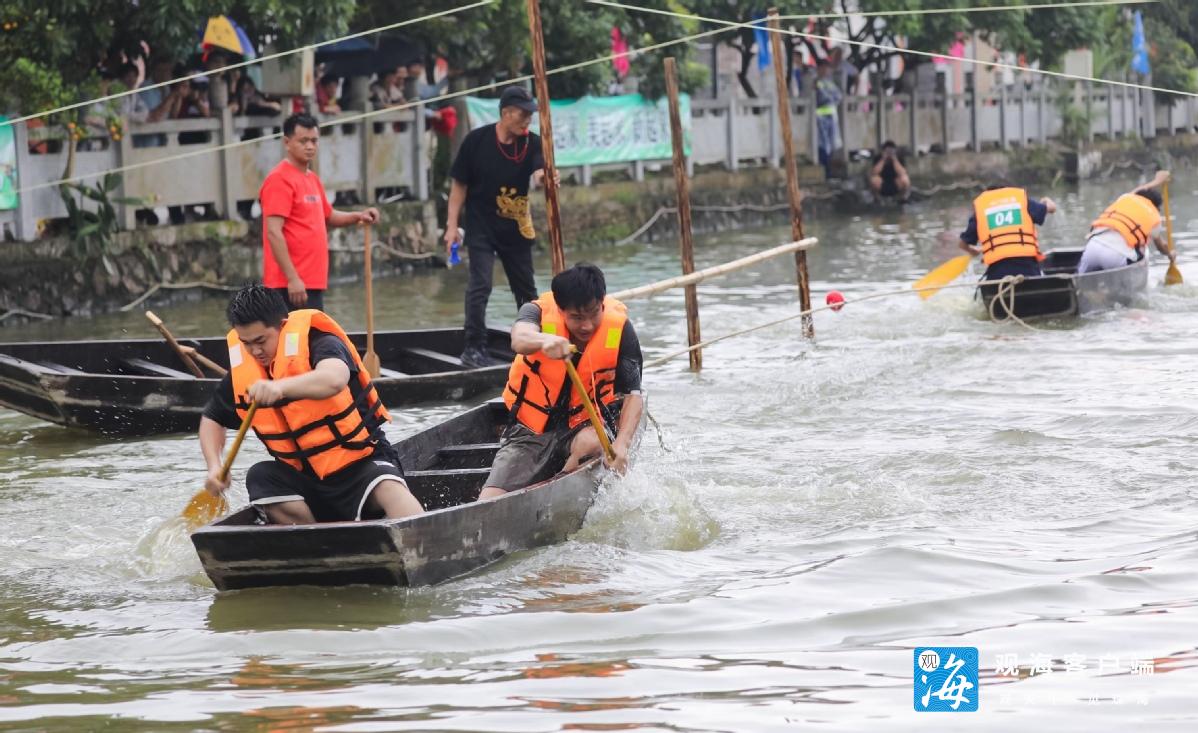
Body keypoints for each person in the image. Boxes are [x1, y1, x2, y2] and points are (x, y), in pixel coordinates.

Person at [200, 285, 424, 524]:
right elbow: (211, 418)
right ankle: (315, 540)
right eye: (246, 343)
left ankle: (423, 540)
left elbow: (334, 379)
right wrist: (215, 466)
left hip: (360, 464)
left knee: (387, 484)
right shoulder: (246, 372)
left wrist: (280, 388)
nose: (255, 351)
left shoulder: (321, 343)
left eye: (261, 340)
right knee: (260, 476)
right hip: (305, 482)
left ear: (282, 325)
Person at [478, 263, 644, 500]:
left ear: (602, 304)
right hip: (530, 430)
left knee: (593, 442)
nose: (586, 325)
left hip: (584, 424)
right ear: (561, 309)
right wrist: (543, 340)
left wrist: (622, 444)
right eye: (576, 317)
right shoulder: (535, 312)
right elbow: (519, 338)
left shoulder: (621, 329)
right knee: (489, 499)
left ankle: (563, 477)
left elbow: (633, 395)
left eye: (593, 313)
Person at [445, 86, 556, 368]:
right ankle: (474, 346)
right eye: (523, 114)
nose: (527, 120)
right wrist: (451, 227)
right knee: (480, 285)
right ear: (506, 113)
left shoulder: (532, 143)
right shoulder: (476, 141)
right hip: (481, 226)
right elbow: (459, 186)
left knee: (526, 291)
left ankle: (534, 343)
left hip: (516, 228)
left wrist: (546, 177)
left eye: (531, 115)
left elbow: (540, 170)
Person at [259, 113, 380, 312]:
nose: (310, 146)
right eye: (303, 141)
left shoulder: (312, 179)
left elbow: (328, 215)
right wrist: (293, 278)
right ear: (287, 143)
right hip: (289, 284)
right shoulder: (279, 179)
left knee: (314, 339)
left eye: (314, 141)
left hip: (312, 280)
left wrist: (358, 216)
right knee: (296, 341)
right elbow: (273, 232)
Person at [1078, 171, 1174, 274]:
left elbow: (1137, 191)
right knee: (1141, 250)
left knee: (1079, 281)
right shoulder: (1154, 217)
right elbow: (1161, 246)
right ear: (1157, 206)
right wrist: (1170, 254)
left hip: (1092, 248)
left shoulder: (1125, 198)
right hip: (1117, 256)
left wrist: (1156, 182)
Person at [958, 184, 1057, 279]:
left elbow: (962, 244)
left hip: (998, 272)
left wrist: (973, 251)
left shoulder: (981, 209)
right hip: (1028, 268)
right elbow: (1052, 208)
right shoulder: (1021, 200)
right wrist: (1046, 200)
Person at [815, 60, 842, 179]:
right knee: (823, 145)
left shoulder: (830, 82)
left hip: (831, 118)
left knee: (831, 145)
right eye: (824, 68)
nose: (826, 71)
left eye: (828, 68)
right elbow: (823, 97)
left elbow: (838, 96)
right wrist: (830, 99)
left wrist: (831, 99)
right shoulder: (817, 82)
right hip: (821, 118)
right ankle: (826, 171)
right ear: (819, 69)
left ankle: (830, 171)